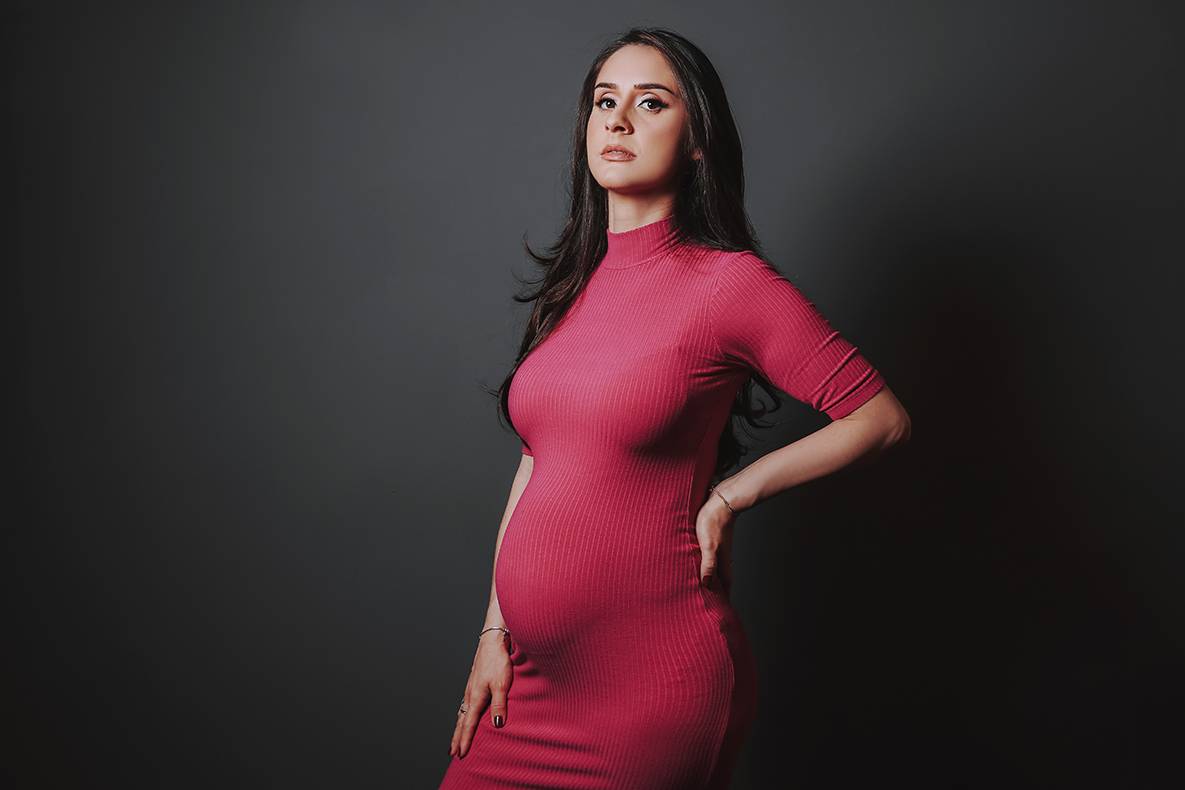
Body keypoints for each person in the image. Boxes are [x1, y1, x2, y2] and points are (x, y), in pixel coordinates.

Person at [440, 28, 910, 790]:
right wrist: (493, 630)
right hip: (526, 683)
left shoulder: (730, 286)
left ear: (696, 141)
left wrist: (730, 495)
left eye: (651, 102)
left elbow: (880, 418)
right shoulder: (572, 287)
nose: (619, 119)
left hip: (650, 691)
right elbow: (538, 464)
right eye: (604, 101)